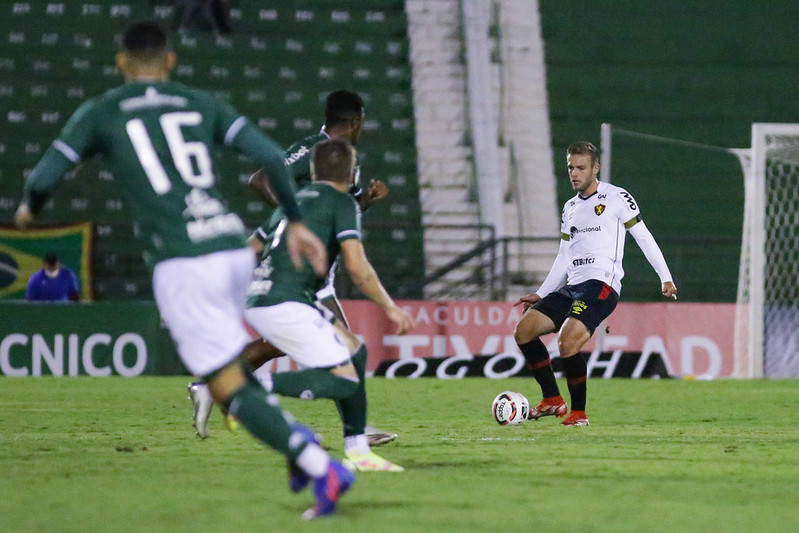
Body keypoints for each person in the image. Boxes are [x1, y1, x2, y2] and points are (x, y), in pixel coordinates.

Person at [14, 21, 351, 520]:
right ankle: (298, 443)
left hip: (182, 262)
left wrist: (28, 210)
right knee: (229, 370)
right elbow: (267, 157)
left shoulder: (101, 112)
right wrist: (297, 222)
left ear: (121, 63)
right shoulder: (200, 103)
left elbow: (45, 176)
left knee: (223, 384)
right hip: (232, 248)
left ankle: (318, 462)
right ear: (170, 61)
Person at [245, 138, 414, 471]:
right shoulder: (341, 202)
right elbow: (358, 268)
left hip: (267, 296)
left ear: (311, 170)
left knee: (355, 350)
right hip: (286, 300)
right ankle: (233, 386)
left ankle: (358, 451)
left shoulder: (292, 202)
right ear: (351, 172)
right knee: (344, 380)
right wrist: (390, 307)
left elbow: (249, 248)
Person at [513, 141, 677, 427]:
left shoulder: (617, 197)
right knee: (524, 331)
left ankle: (579, 413)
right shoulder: (570, 208)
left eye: (581, 167)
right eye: (570, 168)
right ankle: (552, 399)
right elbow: (564, 255)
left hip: (601, 284)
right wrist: (541, 293)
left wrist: (665, 276)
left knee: (567, 342)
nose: (574, 173)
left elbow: (643, 236)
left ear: (595, 169)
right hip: (573, 285)